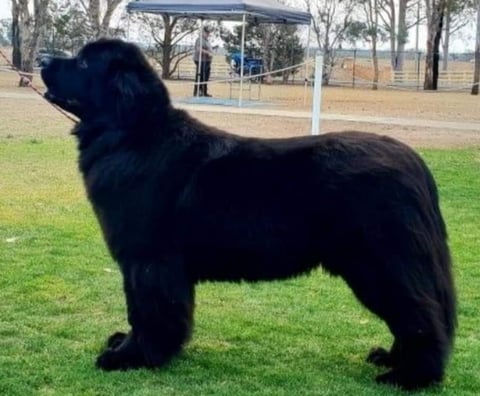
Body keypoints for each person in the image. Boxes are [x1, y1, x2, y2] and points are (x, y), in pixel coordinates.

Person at [193, 27, 214, 97]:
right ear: (203, 32)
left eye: (208, 33)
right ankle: (197, 92)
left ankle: (204, 92)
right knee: (200, 76)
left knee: (206, 77)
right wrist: (207, 53)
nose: (208, 34)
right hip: (201, 61)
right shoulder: (199, 40)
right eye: (206, 33)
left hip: (207, 61)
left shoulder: (207, 41)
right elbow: (198, 49)